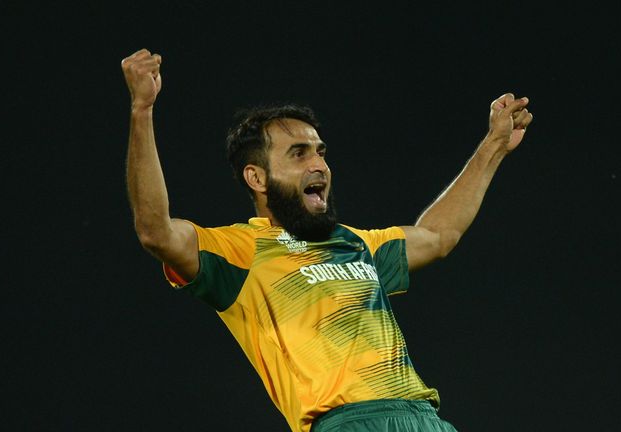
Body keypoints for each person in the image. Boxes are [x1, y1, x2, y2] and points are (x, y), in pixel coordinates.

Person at [122, 48, 533, 432]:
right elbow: (155, 231)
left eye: (320, 151)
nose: (319, 164)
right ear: (257, 178)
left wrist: (493, 146)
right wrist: (143, 110)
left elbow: (439, 234)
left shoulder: (356, 244)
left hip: (425, 419)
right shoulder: (239, 252)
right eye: (299, 154)